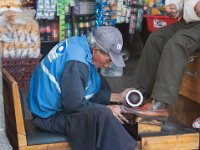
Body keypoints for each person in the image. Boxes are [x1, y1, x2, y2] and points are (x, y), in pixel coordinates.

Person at [27, 26, 138, 150]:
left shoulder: (80, 43)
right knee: (102, 114)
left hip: (56, 104)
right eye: (109, 59)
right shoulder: (77, 64)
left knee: (101, 84)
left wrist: (118, 97)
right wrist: (107, 108)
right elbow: (73, 104)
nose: (108, 65)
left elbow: (80, 90)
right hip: (49, 117)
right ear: (96, 50)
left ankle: (117, 135)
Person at [124, 0, 200, 121]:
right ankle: (144, 93)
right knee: (156, 38)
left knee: (176, 44)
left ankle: (161, 104)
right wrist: (175, 7)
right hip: (188, 22)